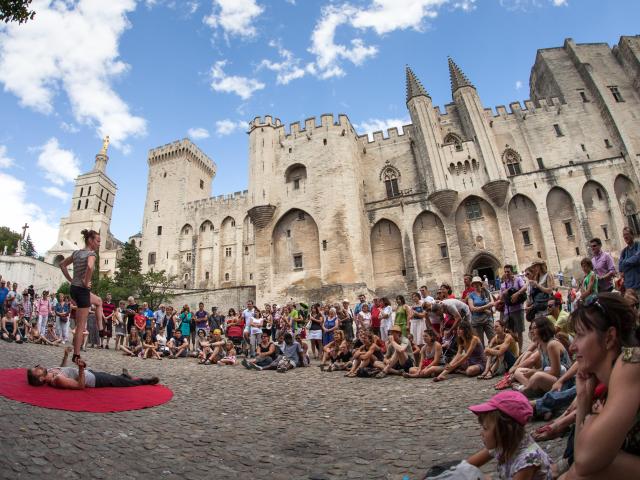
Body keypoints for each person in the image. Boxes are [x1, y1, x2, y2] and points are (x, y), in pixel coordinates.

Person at [560, 292, 640, 478]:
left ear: (609, 337)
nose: (572, 346)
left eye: (580, 335)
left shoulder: (630, 362)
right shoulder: (609, 382)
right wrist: (583, 398)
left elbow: (584, 462)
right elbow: (579, 456)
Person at [465, 391, 552, 479]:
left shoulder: (528, 460)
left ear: (504, 432)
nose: (481, 433)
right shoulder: (504, 443)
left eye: (485, 428)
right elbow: (466, 466)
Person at [58, 229, 104, 364]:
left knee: (99, 301)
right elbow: (90, 267)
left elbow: (62, 264)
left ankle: (100, 328)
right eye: (98, 241)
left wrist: (71, 280)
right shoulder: (91, 254)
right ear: (90, 240)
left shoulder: (77, 253)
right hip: (82, 290)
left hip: (74, 289)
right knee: (80, 326)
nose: (99, 244)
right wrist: (85, 281)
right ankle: (76, 355)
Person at [27, 348, 159, 389]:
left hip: (89, 373)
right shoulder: (57, 380)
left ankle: (124, 376)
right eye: (36, 369)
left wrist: (65, 356)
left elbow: (62, 368)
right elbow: (80, 386)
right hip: (93, 380)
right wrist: (80, 368)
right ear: (41, 378)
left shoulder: (50, 371)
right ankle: (146, 381)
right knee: (121, 383)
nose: (38, 366)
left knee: (113, 377)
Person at [512, 316, 571, 396]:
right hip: (548, 376)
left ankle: (526, 389)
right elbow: (545, 367)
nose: (532, 331)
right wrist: (532, 372)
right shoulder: (540, 345)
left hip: (562, 381)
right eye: (531, 328)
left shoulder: (552, 344)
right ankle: (533, 388)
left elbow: (556, 372)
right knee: (518, 371)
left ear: (543, 329)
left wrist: (534, 372)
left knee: (537, 376)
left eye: (534, 328)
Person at [501, 264, 527, 352]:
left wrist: (517, 293)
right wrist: (505, 292)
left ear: (512, 271)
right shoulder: (503, 284)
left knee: (519, 331)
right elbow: (501, 298)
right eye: (505, 272)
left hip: (518, 309)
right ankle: (514, 350)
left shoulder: (518, 279)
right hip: (507, 311)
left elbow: (524, 287)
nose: (506, 273)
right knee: (508, 332)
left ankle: (520, 351)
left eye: (508, 271)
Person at [467, 276, 495, 347]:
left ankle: (494, 356)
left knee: (493, 339)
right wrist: (485, 309)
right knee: (480, 343)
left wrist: (479, 308)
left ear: (480, 284)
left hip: (488, 320)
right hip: (477, 321)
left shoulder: (486, 292)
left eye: (477, 283)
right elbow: (472, 308)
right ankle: (483, 357)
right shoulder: (471, 295)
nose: (476, 285)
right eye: (474, 283)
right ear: (472, 285)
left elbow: (492, 303)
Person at [619, 226, 640, 296]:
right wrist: (631, 262)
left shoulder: (638, 246)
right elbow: (621, 268)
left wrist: (625, 263)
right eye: (624, 235)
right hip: (628, 288)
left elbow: (637, 258)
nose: (625, 237)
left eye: (627, 234)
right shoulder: (624, 252)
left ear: (632, 235)